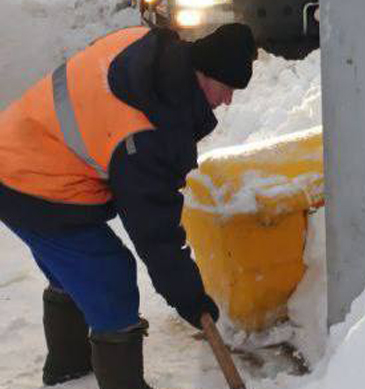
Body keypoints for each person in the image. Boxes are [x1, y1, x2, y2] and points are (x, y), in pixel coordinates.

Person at [0, 23, 257, 389]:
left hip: (20, 147)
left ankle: (70, 369)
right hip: (31, 180)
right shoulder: (144, 133)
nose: (228, 100)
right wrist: (189, 297)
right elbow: (155, 233)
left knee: (74, 269)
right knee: (108, 275)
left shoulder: (147, 47)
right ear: (204, 75)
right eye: (227, 88)